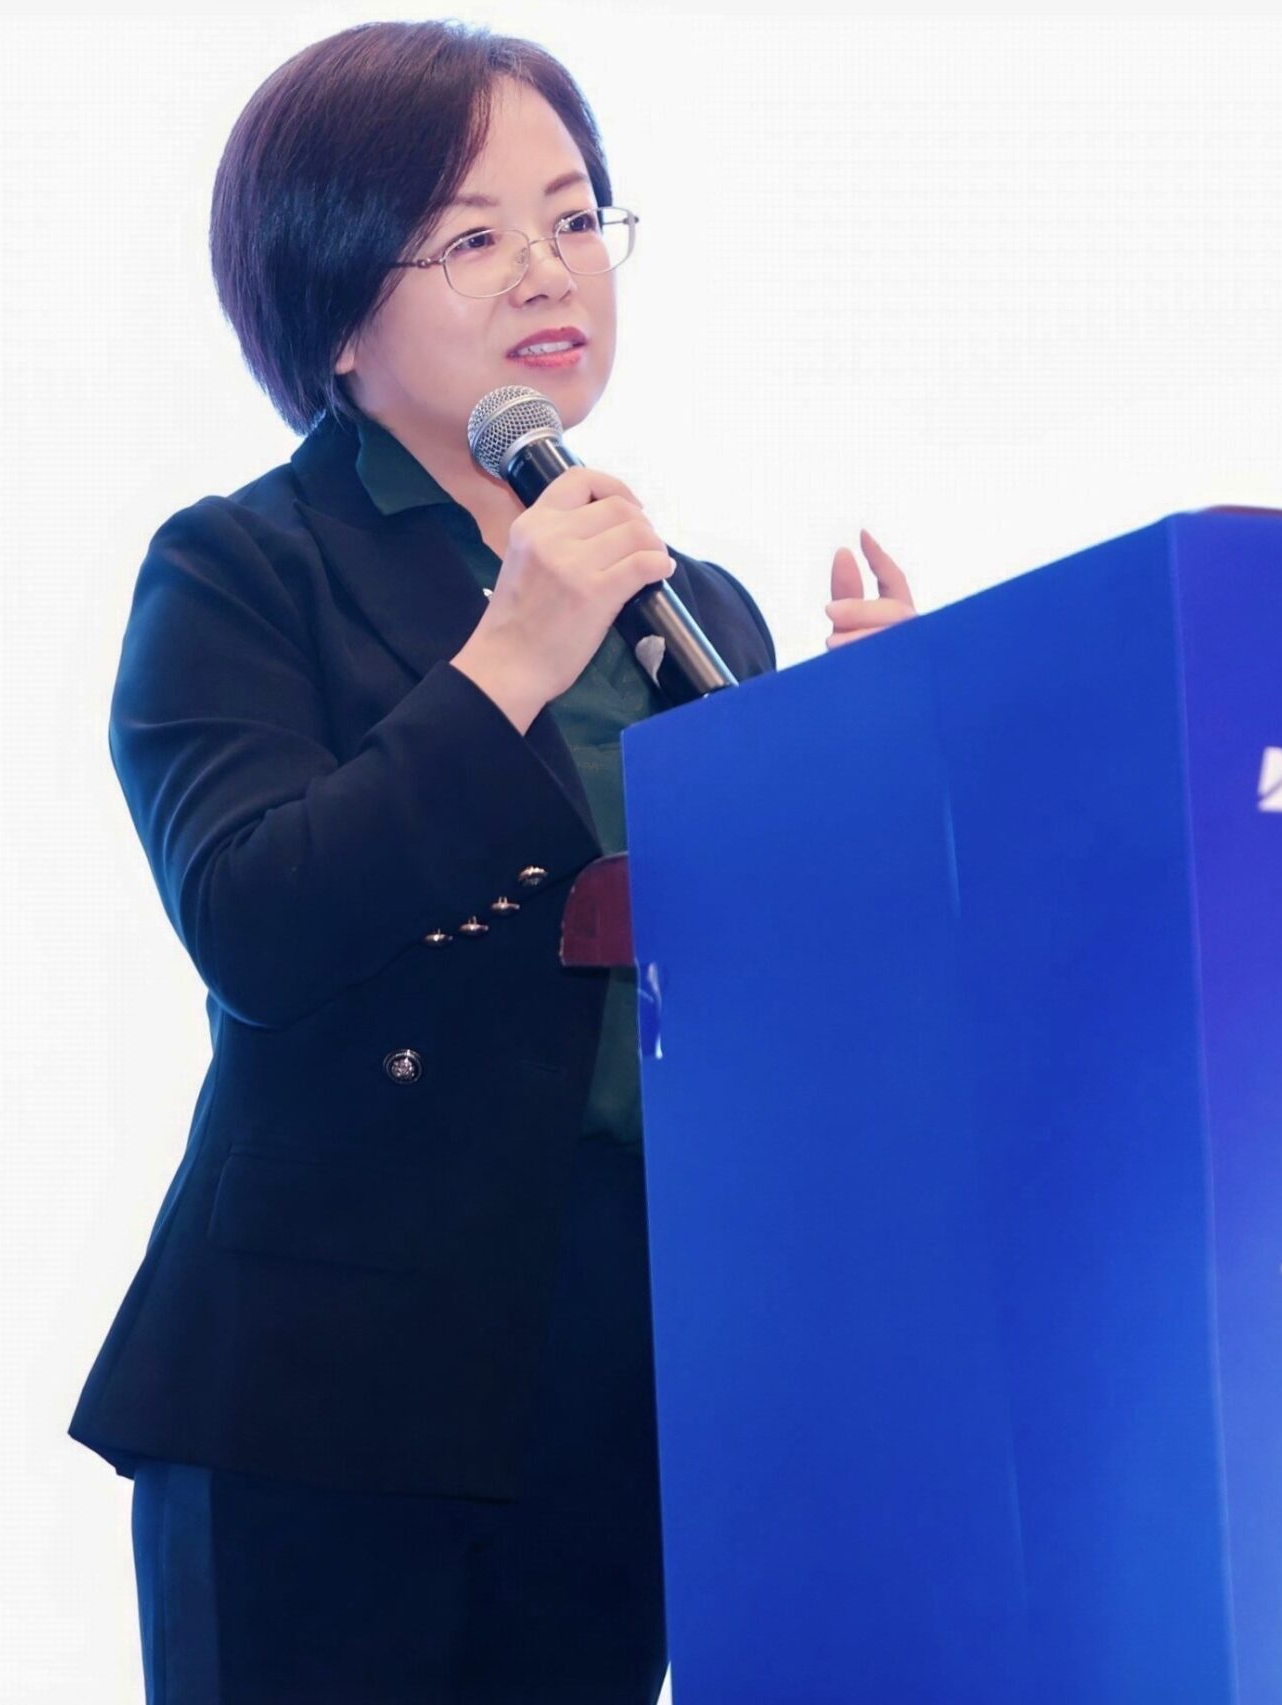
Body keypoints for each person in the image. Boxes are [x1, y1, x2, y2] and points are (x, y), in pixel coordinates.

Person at [67, 20, 916, 1702]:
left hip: (623, 1363)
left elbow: (776, 997)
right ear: (331, 309)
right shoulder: (241, 569)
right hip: (327, 1383)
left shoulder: (698, 611)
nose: (551, 266)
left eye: (577, 215)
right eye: (472, 235)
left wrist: (886, 752)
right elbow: (257, 917)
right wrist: (508, 653)